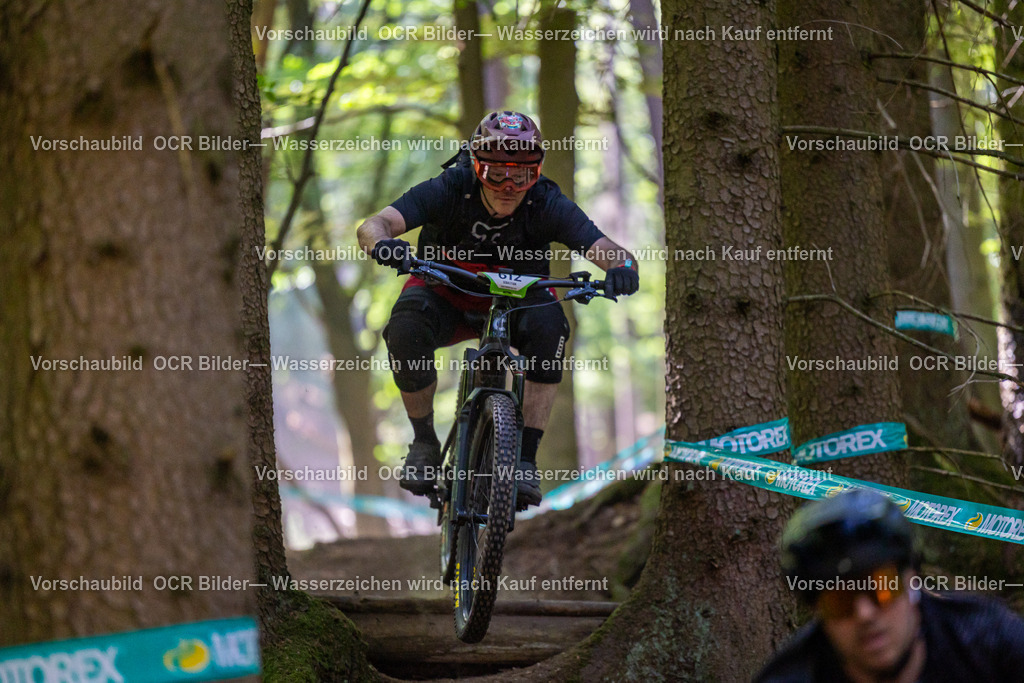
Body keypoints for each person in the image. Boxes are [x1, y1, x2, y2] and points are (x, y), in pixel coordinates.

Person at [356, 110, 638, 507]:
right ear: (475, 166)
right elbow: (375, 224)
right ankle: (423, 442)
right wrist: (384, 243)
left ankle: (523, 460)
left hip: (520, 300)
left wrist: (623, 268)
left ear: (536, 173)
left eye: (522, 176)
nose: (509, 186)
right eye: (495, 174)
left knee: (551, 330)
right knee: (404, 330)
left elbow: (606, 249)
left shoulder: (547, 202)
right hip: (445, 291)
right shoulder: (451, 186)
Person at [754, 488, 1024, 682]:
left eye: (881, 589)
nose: (865, 615)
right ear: (819, 615)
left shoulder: (991, 643)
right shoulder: (790, 676)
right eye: (841, 602)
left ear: (912, 584)